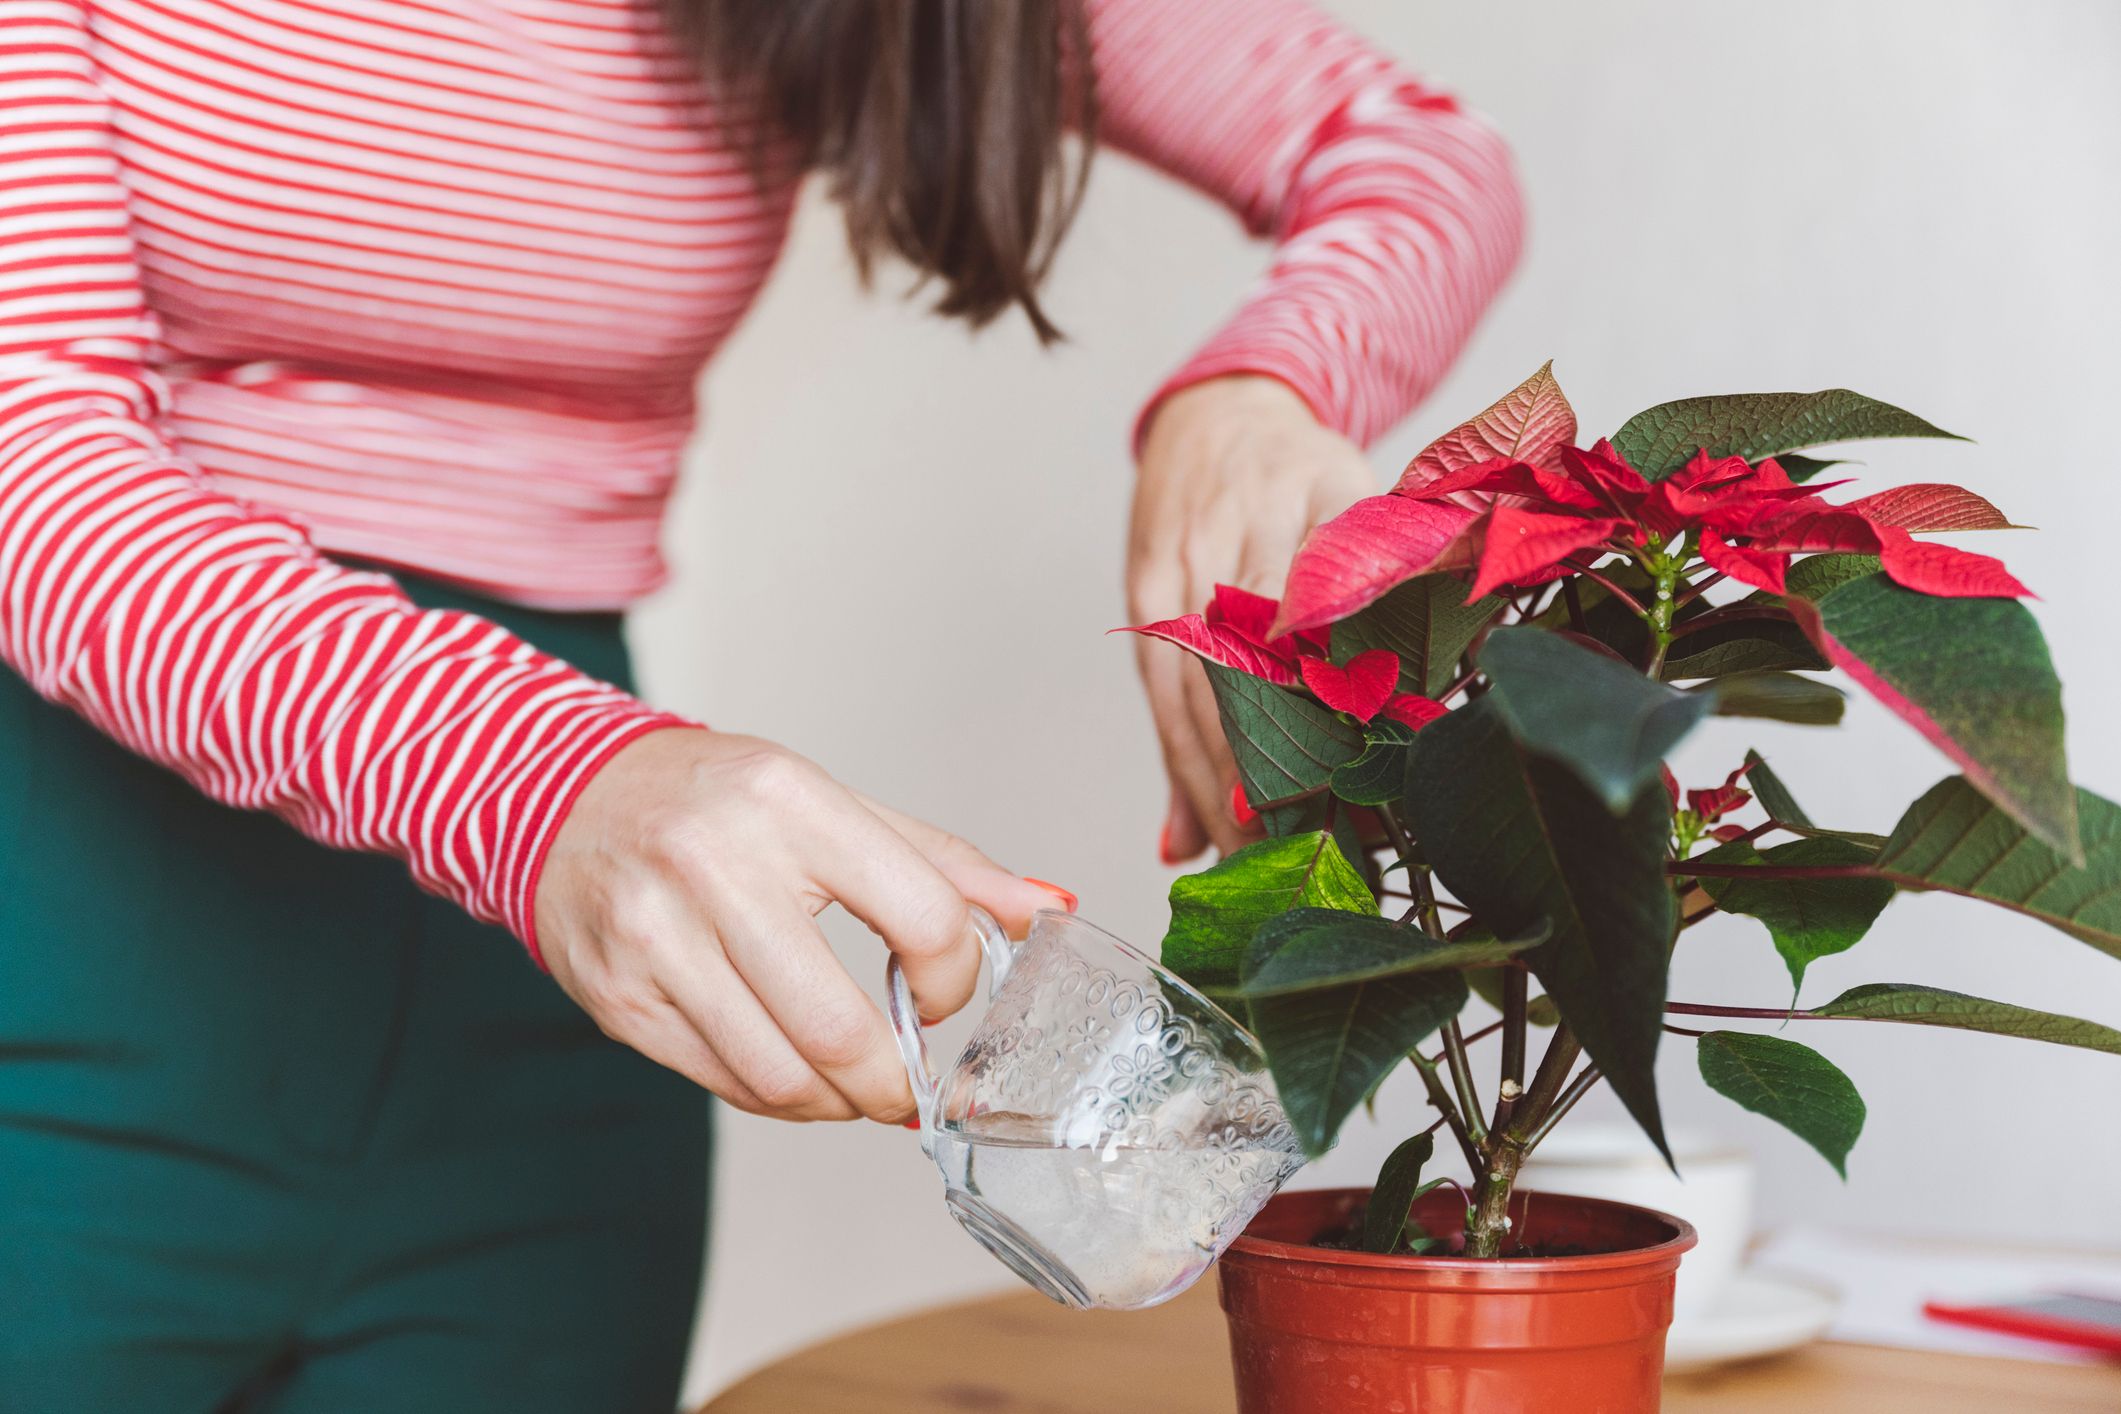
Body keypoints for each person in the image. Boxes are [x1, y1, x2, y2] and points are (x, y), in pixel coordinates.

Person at [0, 0, 1521, 1407]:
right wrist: (548, 781)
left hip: (548, 1015)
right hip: (90, 924)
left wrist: (1258, 395)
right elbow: (35, 456)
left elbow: (1418, 156)